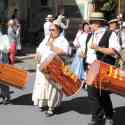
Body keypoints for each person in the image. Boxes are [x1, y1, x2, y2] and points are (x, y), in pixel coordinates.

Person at [86, 12, 121, 125]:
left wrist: (98, 48)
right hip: (90, 68)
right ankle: (97, 117)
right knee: (92, 94)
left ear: (97, 23)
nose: (89, 25)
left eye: (91, 22)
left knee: (103, 94)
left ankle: (109, 116)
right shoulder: (90, 35)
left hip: (103, 68)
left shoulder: (110, 34)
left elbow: (115, 51)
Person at [32, 17, 69, 117]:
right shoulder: (46, 38)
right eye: (50, 29)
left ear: (59, 30)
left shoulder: (62, 40)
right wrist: (37, 54)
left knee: (53, 87)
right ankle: (44, 103)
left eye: (53, 30)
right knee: (43, 85)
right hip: (43, 66)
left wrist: (52, 46)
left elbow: (65, 52)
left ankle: (51, 107)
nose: (51, 31)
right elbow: (39, 48)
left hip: (54, 67)